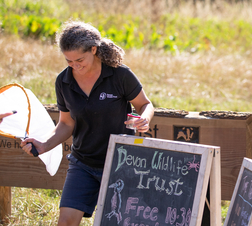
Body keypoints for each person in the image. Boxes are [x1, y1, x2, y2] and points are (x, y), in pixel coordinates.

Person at [21, 20, 155, 226]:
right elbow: (66, 124)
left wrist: (144, 119)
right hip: (83, 163)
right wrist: (44, 145)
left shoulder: (119, 74)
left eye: (79, 60)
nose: (75, 66)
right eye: (69, 61)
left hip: (122, 164)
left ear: (94, 49)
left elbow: (145, 104)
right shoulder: (63, 81)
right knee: (65, 222)